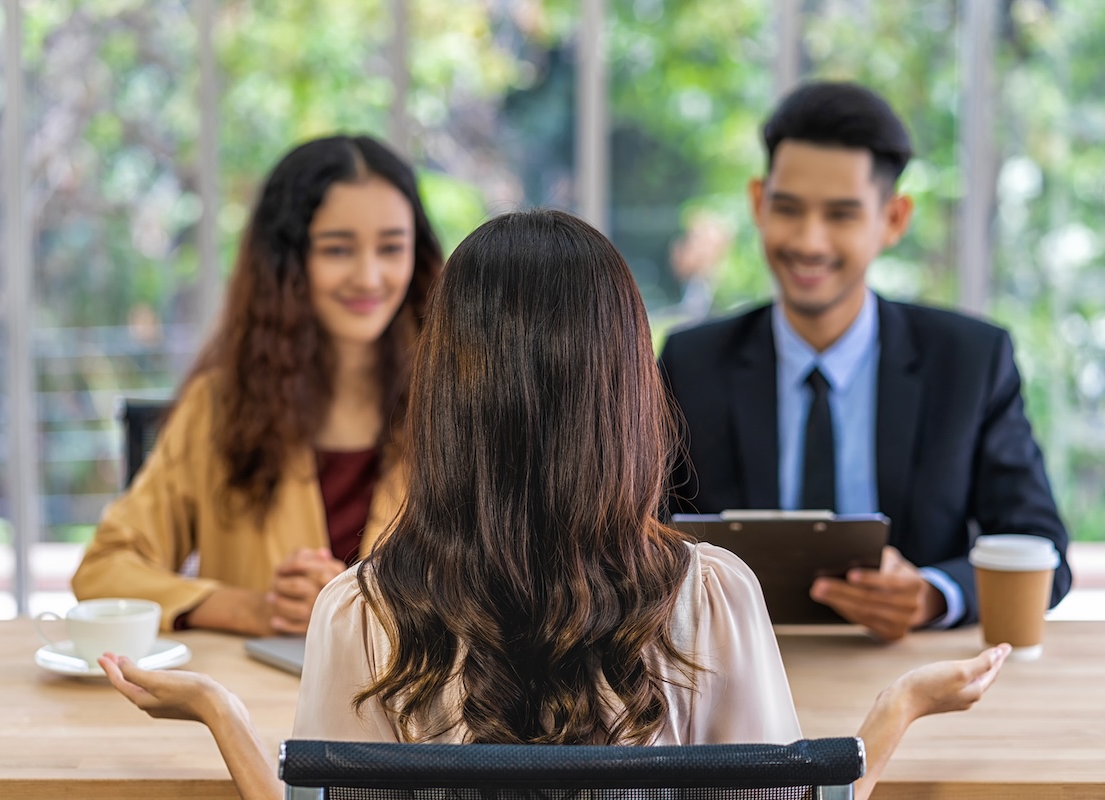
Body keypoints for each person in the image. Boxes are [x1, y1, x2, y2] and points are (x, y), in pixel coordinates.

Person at [99, 209, 1009, 800]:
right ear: (625, 396)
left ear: (445, 399)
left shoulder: (359, 612)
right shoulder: (714, 597)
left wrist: (222, 711)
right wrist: (894, 713)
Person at [659, 81, 1072, 641]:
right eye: (788, 208)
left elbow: (1040, 547)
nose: (809, 240)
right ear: (758, 202)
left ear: (894, 219)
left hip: (911, 668)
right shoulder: (692, 361)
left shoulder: (970, 362)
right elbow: (640, 531)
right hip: (735, 670)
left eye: (841, 215)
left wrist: (933, 594)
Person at [71, 135, 443, 636]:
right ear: (288, 263)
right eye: (337, 249)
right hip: (252, 705)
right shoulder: (219, 408)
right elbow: (104, 570)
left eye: (392, 248)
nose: (369, 276)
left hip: (410, 711)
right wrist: (253, 609)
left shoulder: (454, 408)